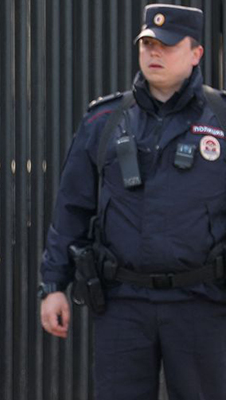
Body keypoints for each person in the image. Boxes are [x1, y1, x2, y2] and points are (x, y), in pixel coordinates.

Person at [39, 4, 226, 399]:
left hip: (202, 303)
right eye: (147, 44)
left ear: (196, 53)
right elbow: (72, 208)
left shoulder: (221, 119)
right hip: (123, 304)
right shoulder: (103, 121)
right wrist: (54, 285)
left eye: (167, 45)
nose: (154, 52)